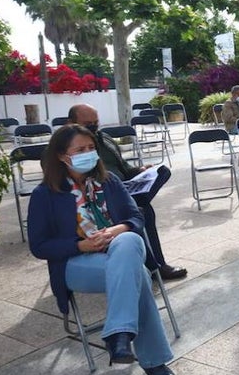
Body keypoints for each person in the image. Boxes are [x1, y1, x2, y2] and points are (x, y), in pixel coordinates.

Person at [27, 125, 180, 375]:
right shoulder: (45, 194)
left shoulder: (109, 181)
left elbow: (135, 218)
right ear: (63, 156)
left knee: (130, 242)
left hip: (120, 251)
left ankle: (119, 334)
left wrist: (115, 230)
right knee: (138, 273)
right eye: (80, 150)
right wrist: (81, 245)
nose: (89, 153)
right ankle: (153, 362)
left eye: (91, 149)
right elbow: (39, 246)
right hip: (77, 263)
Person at [67, 105, 188, 281]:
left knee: (162, 171)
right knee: (143, 210)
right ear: (71, 123)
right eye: (87, 124)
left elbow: (124, 168)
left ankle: (137, 199)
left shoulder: (105, 139)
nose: (93, 127)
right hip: (97, 197)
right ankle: (157, 266)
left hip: (122, 186)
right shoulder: (63, 148)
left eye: (96, 123)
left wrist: (139, 170)